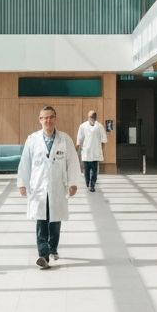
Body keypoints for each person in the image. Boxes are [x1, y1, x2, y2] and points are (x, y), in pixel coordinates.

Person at [17, 105, 82, 268]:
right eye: (45, 118)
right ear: (40, 120)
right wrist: (22, 183)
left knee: (54, 220)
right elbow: (25, 163)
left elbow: (73, 162)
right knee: (41, 220)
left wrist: (73, 183)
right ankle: (43, 255)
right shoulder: (32, 139)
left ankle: (53, 248)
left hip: (57, 186)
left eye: (51, 117)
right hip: (38, 187)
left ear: (55, 119)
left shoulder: (65, 139)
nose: (48, 120)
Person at [75, 109, 107, 192]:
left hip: (95, 153)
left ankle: (92, 185)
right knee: (86, 171)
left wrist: (101, 150)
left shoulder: (99, 126)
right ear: (88, 117)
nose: (92, 118)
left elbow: (104, 140)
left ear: (96, 117)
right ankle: (87, 183)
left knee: (94, 171)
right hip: (86, 153)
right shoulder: (82, 126)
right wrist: (76, 150)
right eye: (91, 116)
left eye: (94, 116)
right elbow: (79, 139)